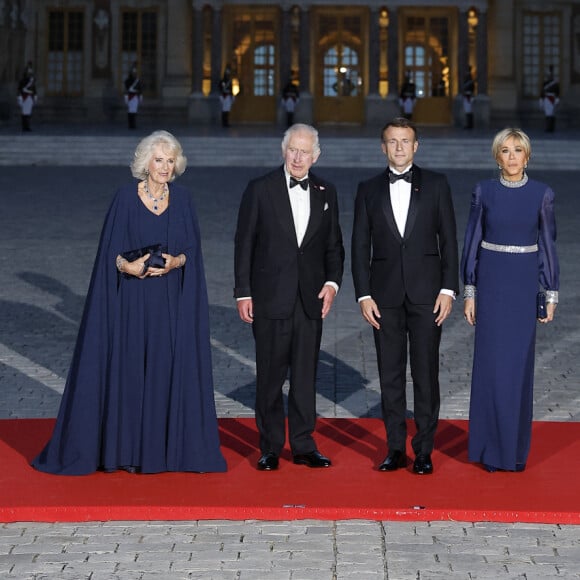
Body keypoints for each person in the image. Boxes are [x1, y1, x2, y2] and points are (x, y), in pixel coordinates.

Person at [32, 130, 227, 475]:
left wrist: (177, 261)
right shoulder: (124, 198)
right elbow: (110, 253)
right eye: (159, 159)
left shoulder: (183, 200)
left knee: (164, 371)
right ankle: (127, 449)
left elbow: (192, 250)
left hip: (168, 304)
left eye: (170, 160)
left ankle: (163, 451)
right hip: (132, 304)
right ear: (145, 162)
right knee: (132, 371)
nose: (165, 166)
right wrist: (128, 265)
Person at [234, 123, 344, 471]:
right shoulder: (260, 189)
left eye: (305, 151)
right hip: (269, 297)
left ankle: (303, 444)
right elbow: (244, 245)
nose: (298, 157)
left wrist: (332, 283)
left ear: (316, 155)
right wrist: (243, 292)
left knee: (305, 375)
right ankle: (269, 446)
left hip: (310, 298)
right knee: (269, 375)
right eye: (293, 150)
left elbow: (334, 246)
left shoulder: (327, 191)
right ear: (284, 151)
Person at [351, 117, 459, 475]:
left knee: (426, 374)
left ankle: (424, 450)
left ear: (416, 146)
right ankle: (395, 448)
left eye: (406, 141)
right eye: (392, 141)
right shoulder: (367, 189)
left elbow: (450, 242)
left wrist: (448, 289)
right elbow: (359, 246)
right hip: (384, 299)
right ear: (383, 147)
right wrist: (363, 294)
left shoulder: (438, 185)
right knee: (390, 375)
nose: (399, 147)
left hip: (429, 296)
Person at [461, 127, 559, 473]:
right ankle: (489, 450)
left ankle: (513, 451)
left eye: (518, 150)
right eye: (505, 150)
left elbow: (548, 246)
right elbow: (472, 243)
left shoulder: (541, 194)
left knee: (516, 369)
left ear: (527, 155)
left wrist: (549, 292)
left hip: (520, 288)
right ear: (496, 156)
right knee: (490, 369)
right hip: (490, 285)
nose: (512, 156)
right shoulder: (483, 192)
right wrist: (470, 291)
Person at [17, 61, 37, 132]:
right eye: (28, 72)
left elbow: (34, 90)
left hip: (30, 97)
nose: (29, 74)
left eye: (30, 73)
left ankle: (27, 126)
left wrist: (35, 97)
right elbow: (20, 89)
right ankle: (24, 126)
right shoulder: (22, 81)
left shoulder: (32, 81)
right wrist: (19, 97)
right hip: (24, 97)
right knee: (24, 113)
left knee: (28, 113)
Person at [539, 65, 559, 133]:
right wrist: (541, 100)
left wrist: (557, 99)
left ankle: (551, 128)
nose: (550, 76)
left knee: (552, 114)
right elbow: (542, 92)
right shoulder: (545, 83)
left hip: (552, 99)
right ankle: (548, 127)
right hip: (547, 99)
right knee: (547, 114)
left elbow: (557, 92)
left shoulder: (555, 83)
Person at [124, 62, 142, 129]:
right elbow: (127, 89)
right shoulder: (127, 81)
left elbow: (140, 89)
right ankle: (130, 125)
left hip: (135, 97)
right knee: (130, 111)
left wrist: (140, 96)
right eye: (133, 73)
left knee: (134, 111)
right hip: (130, 97)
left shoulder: (137, 80)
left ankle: (133, 124)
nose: (134, 74)